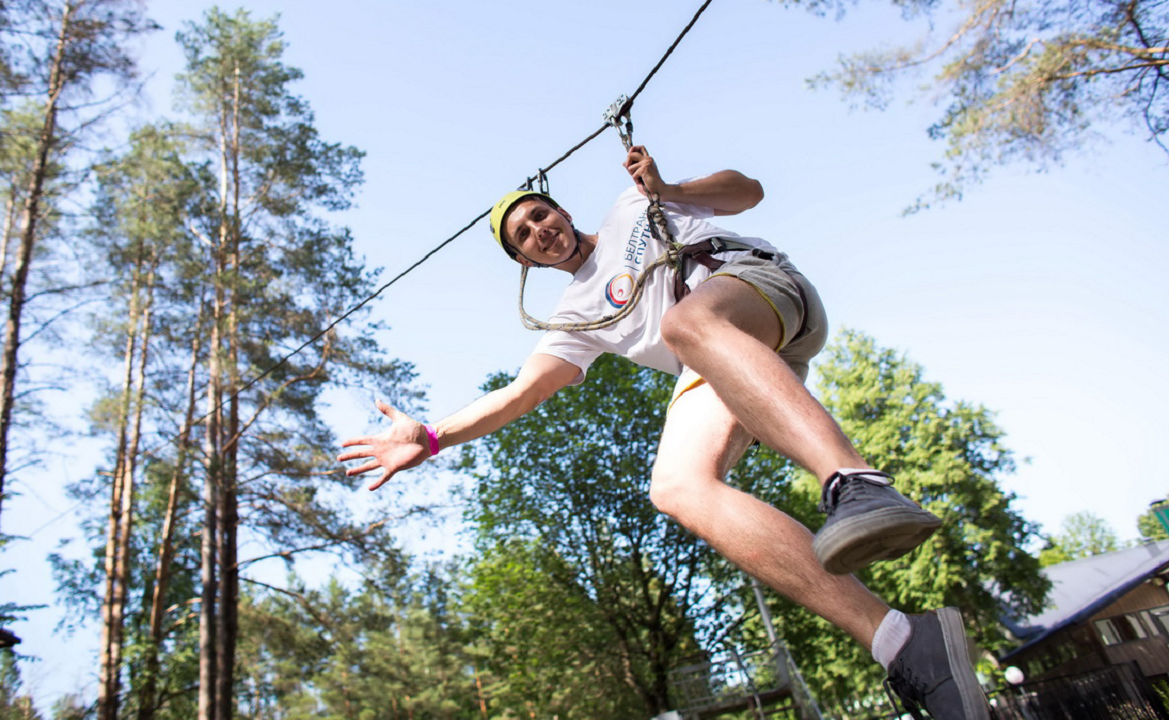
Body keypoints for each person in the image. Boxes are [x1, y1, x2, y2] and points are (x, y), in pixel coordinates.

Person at [339, 147, 991, 719]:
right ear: (522, 260)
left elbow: (747, 191)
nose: (541, 230)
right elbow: (520, 393)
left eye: (541, 214)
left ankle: (855, 483)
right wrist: (429, 438)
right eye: (524, 234)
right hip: (728, 361)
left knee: (683, 324)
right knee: (676, 487)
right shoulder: (572, 318)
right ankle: (901, 642)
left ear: (560, 211)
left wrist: (666, 190)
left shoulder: (633, 205)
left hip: (763, 292)